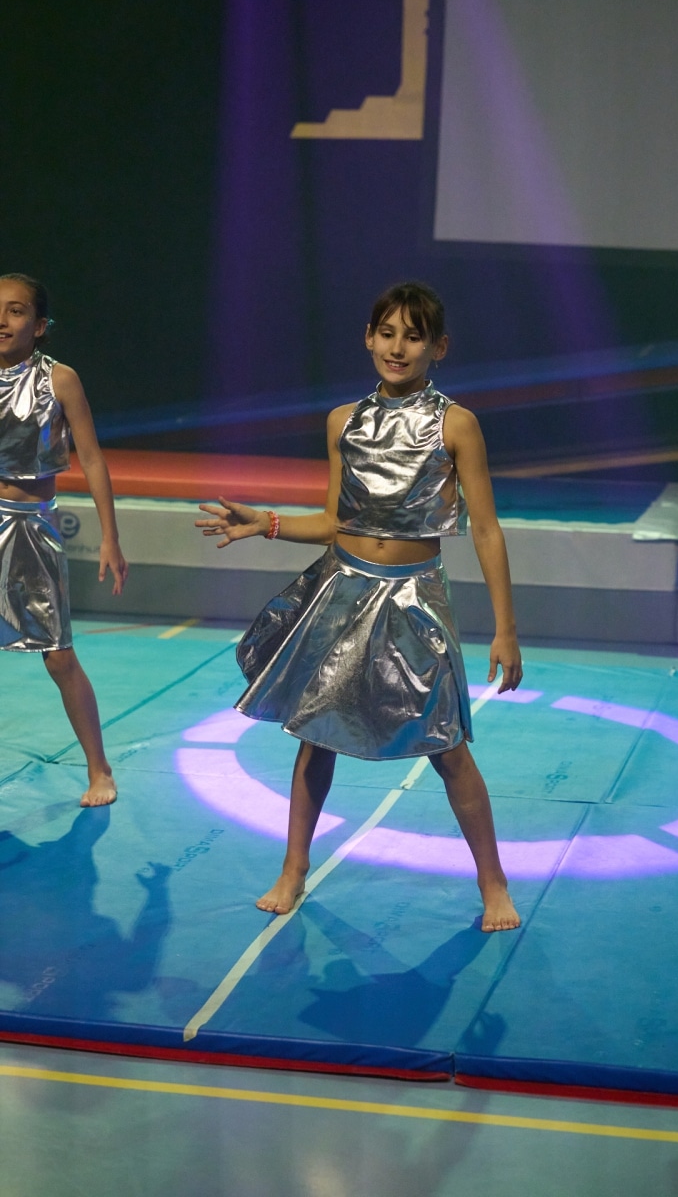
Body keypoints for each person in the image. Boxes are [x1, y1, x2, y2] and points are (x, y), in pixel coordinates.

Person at [197, 281, 522, 931]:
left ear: (438, 347)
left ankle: (494, 883)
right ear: (368, 338)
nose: (398, 347)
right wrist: (265, 523)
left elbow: (486, 529)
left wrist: (506, 629)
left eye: (413, 336)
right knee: (315, 735)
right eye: (387, 333)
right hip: (342, 591)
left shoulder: (456, 425)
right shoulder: (342, 421)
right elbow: (333, 521)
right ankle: (293, 869)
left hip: (414, 601)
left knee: (448, 747)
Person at [0, 273, 128, 806]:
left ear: (39, 325)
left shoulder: (59, 379)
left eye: (15, 310)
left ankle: (99, 769)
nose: (2, 320)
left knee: (58, 656)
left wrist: (109, 537)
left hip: (30, 528)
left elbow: (92, 459)